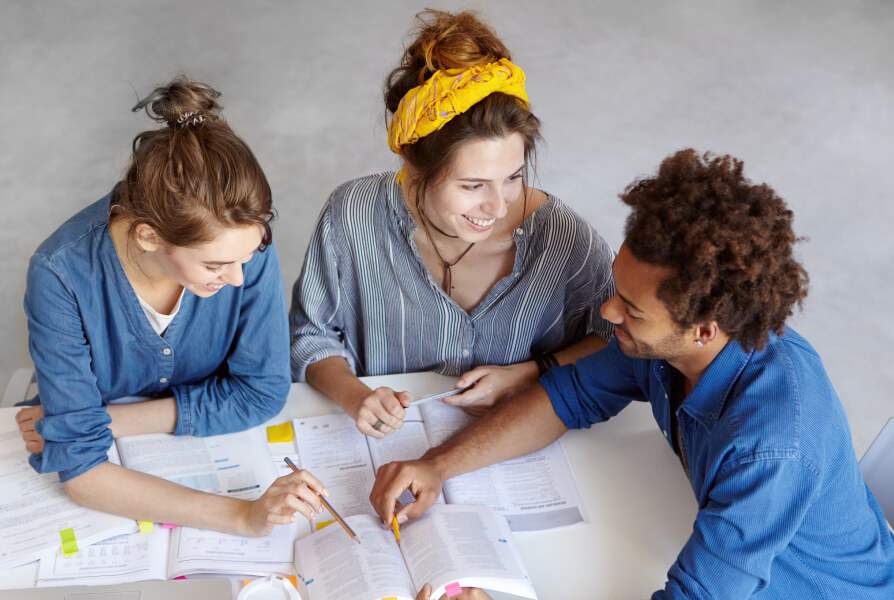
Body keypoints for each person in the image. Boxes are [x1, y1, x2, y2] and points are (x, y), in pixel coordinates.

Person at [370, 149, 894, 598]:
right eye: (618, 290)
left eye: (632, 309)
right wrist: (438, 466)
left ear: (704, 329)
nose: (608, 312)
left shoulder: (771, 447)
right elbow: (568, 396)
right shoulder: (663, 344)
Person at [15, 77, 327, 537]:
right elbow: (82, 473)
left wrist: (103, 421)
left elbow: (261, 392)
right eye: (215, 265)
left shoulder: (241, 244)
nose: (238, 279)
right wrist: (243, 516)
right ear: (148, 237)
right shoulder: (59, 274)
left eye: (247, 257)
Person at [290, 9, 615, 439]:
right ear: (413, 165)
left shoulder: (565, 239)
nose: (497, 207)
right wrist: (356, 396)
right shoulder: (351, 215)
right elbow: (312, 335)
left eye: (513, 177)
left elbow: (617, 340)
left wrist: (532, 373)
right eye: (473, 185)